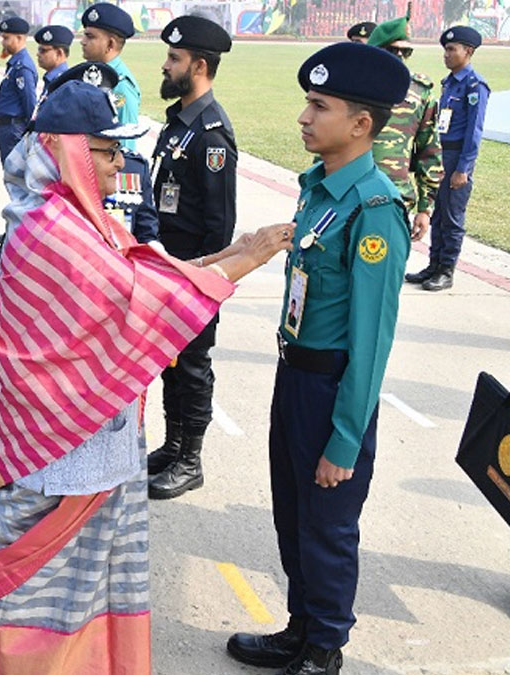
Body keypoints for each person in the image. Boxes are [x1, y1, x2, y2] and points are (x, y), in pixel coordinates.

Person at [0, 79, 294, 675]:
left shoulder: (75, 216)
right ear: (68, 153)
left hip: (86, 437)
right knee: (50, 574)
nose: (122, 163)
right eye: (107, 150)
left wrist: (226, 254)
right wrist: (248, 259)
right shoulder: (55, 231)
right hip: (61, 446)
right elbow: (138, 298)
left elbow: (141, 269)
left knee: (90, 573)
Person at [226, 42, 411, 675]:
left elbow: (372, 339)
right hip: (296, 375)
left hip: (333, 388)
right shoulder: (319, 189)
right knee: (293, 514)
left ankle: (325, 647)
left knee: (329, 525)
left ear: (361, 124)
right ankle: (299, 627)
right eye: (307, 102)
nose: (304, 117)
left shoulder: (374, 210)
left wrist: (347, 439)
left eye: (319, 105)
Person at [146, 16, 237, 501]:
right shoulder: (179, 123)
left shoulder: (211, 136)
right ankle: (173, 443)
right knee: (171, 363)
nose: (166, 65)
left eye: (175, 59)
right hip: (171, 271)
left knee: (193, 364)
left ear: (199, 66)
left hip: (195, 277)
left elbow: (219, 227)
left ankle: (191, 459)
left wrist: (203, 282)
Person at [43, 62, 160, 245]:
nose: (120, 162)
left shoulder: (135, 168)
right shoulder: (42, 180)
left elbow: (147, 237)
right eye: (110, 151)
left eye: (117, 147)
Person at [411, 26, 488, 292]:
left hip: (457, 157)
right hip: (441, 154)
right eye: (445, 49)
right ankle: (433, 265)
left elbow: (474, 131)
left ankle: (446, 270)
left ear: (468, 51)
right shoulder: (449, 83)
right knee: (438, 214)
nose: (446, 54)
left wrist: (463, 168)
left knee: (453, 216)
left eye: (452, 49)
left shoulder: (474, 86)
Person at [365, 12, 441, 256]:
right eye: (392, 51)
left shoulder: (420, 93)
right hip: (349, 195)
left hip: (394, 200)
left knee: (387, 276)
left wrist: (424, 209)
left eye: (405, 52)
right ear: (375, 51)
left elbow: (430, 151)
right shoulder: (352, 88)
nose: (399, 57)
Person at [80, 3, 140, 149]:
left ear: (110, 44)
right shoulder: (90, 75)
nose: (82, 41)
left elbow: (125, 144)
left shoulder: (121, 86)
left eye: (90, 37)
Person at [0, 17, 36, 163]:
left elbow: (29, 102)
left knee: (15, 174)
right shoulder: (15, 63)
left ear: (19, 38)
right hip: (7, 127)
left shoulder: (22, 67)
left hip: (14, 128)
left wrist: (30, 133)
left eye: (6, 38)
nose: (3, 42)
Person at [33, 25, 71, 101]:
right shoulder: (52, 79)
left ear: (59, 53)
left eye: (43, 50)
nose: (38, 54)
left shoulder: (62, 84)